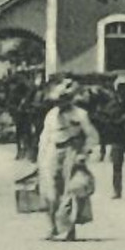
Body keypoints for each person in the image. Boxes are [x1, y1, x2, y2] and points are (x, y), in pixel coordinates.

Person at [37, 79, 100, 240]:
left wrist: (83, 153)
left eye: (64, 99)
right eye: (58, 100)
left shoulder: (80, 114)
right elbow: (45, 136)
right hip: (53, 152)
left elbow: (92, 136)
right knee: (51, 192)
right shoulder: (51, 115)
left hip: (72, 152)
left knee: (70, 191)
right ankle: (52, 227)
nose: (60, 103)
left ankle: (69, 230)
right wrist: (41, 157)